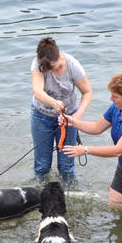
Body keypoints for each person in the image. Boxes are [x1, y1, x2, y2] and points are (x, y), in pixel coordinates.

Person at [61, 72, 122, 213]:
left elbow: (118, 150)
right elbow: (97, 127)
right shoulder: (116, 108)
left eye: (115, 97)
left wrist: (85, 150)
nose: (111, 99)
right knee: (115, 207)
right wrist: (73, 122)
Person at [31, 37, 92, 183]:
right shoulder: (37, 63)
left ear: (59, 57)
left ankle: (69, 194)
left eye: (54, 67)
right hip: (41, 116)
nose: (51, 71)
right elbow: (37, 92)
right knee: (42, 165)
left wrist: (77, 117)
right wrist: (53, 102)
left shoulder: (72, 65)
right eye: (47, 69)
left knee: (66, 166)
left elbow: (87, 92)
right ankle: (40, 195)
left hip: (69, 117)